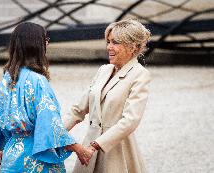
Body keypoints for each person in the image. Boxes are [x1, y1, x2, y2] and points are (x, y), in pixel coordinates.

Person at [0, 22, 92, 173]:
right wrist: (78, 148)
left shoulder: (8, 78)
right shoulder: (38, 81)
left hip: (12, 155)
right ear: (36, 45)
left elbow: (0, 121)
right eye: (45, 40)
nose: (47, 43)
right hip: (36, 157)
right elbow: (49, 124)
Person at [63, 19, 151, 173]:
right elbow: (78, 109)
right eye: (108, 41)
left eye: (115, 42)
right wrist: (55, 132)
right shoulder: (103, 70)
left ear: (133, 47)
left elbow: (130, 121)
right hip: (88, 149)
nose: (109, 47)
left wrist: (96, 145)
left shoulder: (140, 75)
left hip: (116, 151)